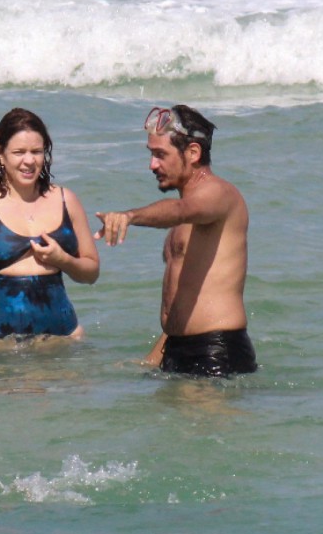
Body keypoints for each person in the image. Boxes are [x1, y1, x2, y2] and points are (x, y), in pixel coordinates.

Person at [95, 105, 256, 377]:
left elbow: (180, 210)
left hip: (215, 351)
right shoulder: (184, 219)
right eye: (151, 154)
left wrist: (130, 216)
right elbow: (184, 299)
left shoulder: (219, 195)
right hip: (176, 349)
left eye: (160, 155)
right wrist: (154, 358)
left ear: (193, 153)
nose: (152, 165)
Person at [0, 108, 99, 346]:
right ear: (0, 154)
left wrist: (63, 260)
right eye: (19, 152)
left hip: (62, 343)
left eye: (36, 151)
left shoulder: (67, 200)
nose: (29, 160)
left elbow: (91, 273)